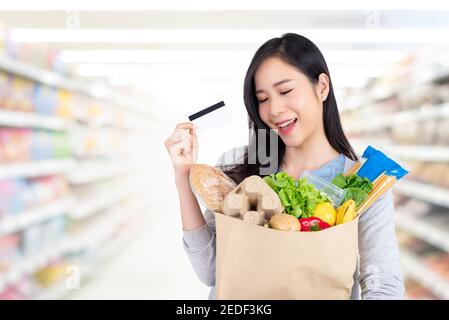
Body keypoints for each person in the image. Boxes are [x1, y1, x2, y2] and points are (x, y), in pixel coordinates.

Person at [164, 33, 404, 300]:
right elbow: (211, 271)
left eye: (286, 91)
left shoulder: (362, 182)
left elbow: (383, 286)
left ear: (322, 87)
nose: (274, 109)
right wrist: (182, 176)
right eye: (262, 99)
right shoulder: (239, 166)